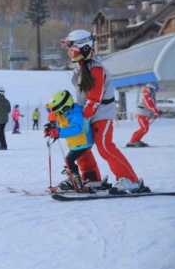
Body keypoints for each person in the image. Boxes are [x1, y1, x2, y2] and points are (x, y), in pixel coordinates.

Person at [63, 29, 141, 191]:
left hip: (101, 114)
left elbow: (94, 98)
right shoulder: (80, 70)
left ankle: (130, 179)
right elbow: (83, 98)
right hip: (88, 114)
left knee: (105, 147)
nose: (69, 53)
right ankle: (91, 178)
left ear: (84, 49)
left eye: (72, 49)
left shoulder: (95, 69)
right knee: (81, 145)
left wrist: (84, 118)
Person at [44, 90, 94, 191]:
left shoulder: (76, 113)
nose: (56, 113)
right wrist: (51, 127)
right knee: (69, 161)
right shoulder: (65, 112)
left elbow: (76, 129)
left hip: (83, 142)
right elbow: (56, 119)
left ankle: (76, 184)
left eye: (56, 110)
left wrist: (58, 132)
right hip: (77, 143)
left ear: (64, 106)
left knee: (69, 160)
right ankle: (75, 181)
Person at [127, 83, 162, 147]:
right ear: (150, 89)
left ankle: (136, 140)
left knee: (145, 129)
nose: (155, 92)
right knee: (144, 128)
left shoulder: (151, 95)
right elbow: (149, 105)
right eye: (155, 90)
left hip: (145, 114)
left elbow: (152, 105)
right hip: (141, 113)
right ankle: (132, 141)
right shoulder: (146, 94)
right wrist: (156, 112)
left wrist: (157, 112)